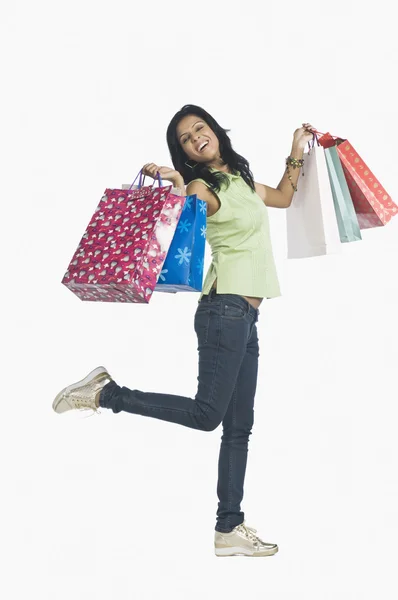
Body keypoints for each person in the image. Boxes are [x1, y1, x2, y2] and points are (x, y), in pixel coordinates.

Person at [52, 105, 314, 557]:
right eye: (187, 138)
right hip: (224, 310)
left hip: (246, 317)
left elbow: (286, 198)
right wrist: (177, 185)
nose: (197, 138)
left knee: (239, 426)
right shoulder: (201, 185)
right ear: (185, 152)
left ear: (214, 130)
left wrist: (295, 151)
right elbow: (190, 210)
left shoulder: (240, 179)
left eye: (200, 128)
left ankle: (228, 529)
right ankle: (105, 393)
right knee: (206, 415)